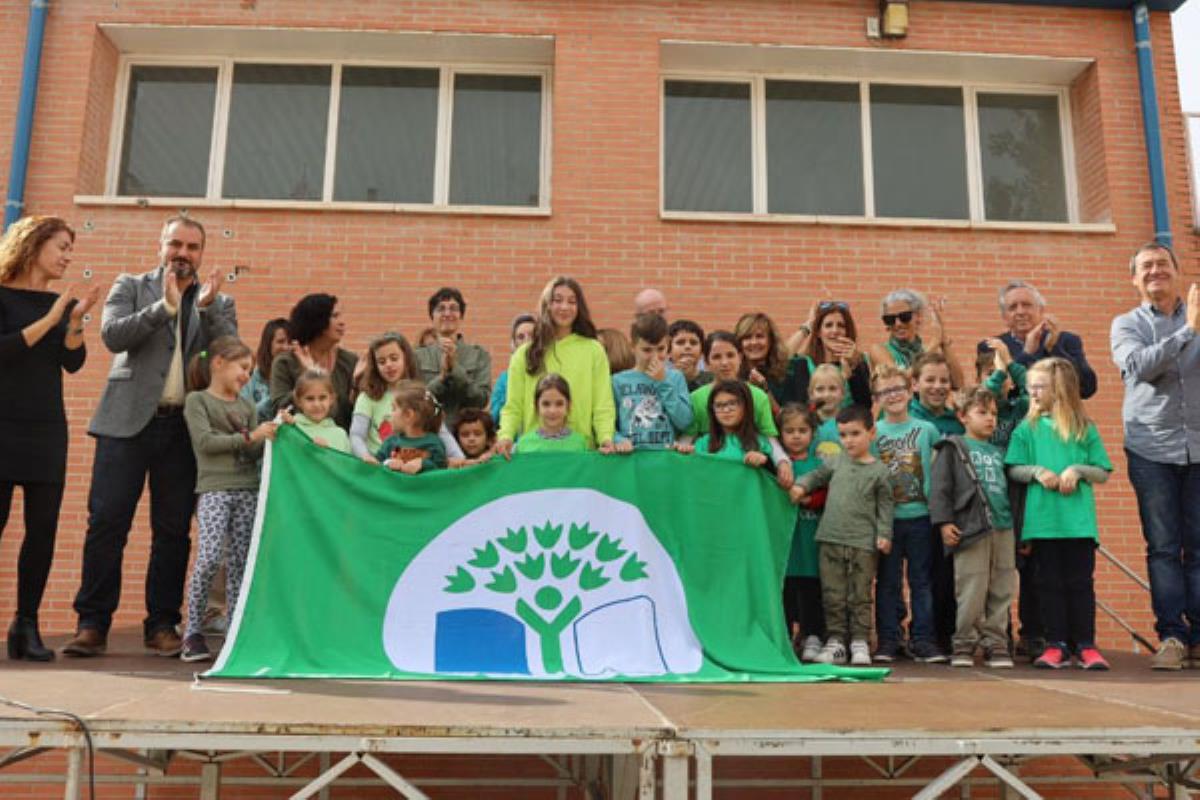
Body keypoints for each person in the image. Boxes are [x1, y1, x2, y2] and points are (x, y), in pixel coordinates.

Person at [63, 216, 236, 658]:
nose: (183, 253)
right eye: (175, 244)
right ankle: (92, 623)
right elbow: (112, 335)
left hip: (183, 431)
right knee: (106, 523)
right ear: (161, 246)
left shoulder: (218, 301)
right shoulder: (130, 286)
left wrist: (208, 309)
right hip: (125, 425)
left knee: (173, 530)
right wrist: (166, 306)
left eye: (192, 247)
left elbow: (230, 357)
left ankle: (162, 623)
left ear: (202, 253)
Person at [0, 216, 99, 661]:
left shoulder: (61, 303)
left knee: (42, 531)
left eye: (70, 249)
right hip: (3, 426)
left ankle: (26, 624)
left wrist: (74, 323)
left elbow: (72, 363)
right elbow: (4, 351)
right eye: (61, 246)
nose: (67, 256)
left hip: (46, 430)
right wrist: (53, 316)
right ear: (34, 245)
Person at [1111, 242, 1200, 671]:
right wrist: (1187, 333)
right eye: (1145, 266)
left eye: (1162, 264)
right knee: (1164, 546)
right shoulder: (1126, 324)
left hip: (1199, 446)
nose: (1154, 271)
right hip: (1151, 449)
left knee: (1199, 546)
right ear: (1134, 279)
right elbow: (1139, 367)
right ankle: (1172, 637)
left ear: (1177, 272)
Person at [1005, 357, 1112, 671]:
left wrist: (1077, 470)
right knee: (1048, 585)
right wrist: (1037, 471)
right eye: (1031, 388)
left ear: (1060, 389)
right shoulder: (1028, 428)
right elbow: (1013, 468)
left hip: (1078, 525)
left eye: (1040, 387)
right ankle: (1056, 645)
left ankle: (1087, 645)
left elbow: (1102, 472)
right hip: (1043, 524)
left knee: (1080, 583)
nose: (1033, 393)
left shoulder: (1084, 428)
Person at [180, 337, 277, 662]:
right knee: (208, 558)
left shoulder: (247, 407)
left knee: (239, 563)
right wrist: (251, 436)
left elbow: (252, 449)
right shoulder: (197, 401)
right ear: (218, 363)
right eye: (242, 367)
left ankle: (235, 632)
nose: (247, 375)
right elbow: (206, 443)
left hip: (247, 488)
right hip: (214, 489)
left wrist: (273, 433)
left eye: (250, 369)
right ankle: (193, 630)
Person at [792, 405, 894, 667]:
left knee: (860, 594)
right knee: (832, 593)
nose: (848, 440)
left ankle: (859, 640)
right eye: (843, 434)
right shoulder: (835, 462)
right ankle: (836, 640)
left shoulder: (880, 472)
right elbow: (816, 476)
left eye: (855, 433)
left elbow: (885, 506)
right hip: (830, 539)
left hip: (863, 543)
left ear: (871, 433)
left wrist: (884, 533)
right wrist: (802, 485)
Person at [930, 386, 1017, 669]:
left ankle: (996, 642)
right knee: (971, 587)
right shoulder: (952, 447)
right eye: (982, 413)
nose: (990, 419)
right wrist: (944, 522)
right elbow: (940, 489)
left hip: (1003, 527)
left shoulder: (999, 452)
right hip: (971, 528)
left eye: (993, 414)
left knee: (1002, 587)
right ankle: (964, 642)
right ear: (963, 416)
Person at [870, 363, 944, 664]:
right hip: (887, 521)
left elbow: (938, 473)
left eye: (898, 388)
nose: (893, 395)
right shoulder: (875, 433)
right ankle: (889, 639)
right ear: (876, 396)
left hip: (921, 517)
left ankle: (923, 639)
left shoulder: (926, 430)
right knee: (887, 583)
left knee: (921, 581)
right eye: (885, 391)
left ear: (911, 389)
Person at [497, 277, 616, 454]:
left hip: (579, 454)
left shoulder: (594, 350)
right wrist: (505, 436)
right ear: (547, 305)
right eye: (557, 300)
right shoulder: (524, 354)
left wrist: (606, 437)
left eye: (572, 301)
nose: (564, 307)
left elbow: (603, 404)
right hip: (534, 453)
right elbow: (513, 406)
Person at [683, 331, 794, 488]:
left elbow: (769, 439)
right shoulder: (696, 399)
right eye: (716, 357)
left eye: (730, 355)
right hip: (711, 478)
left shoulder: (758, 396)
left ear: (740, 357)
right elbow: (688, 440)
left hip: (747, 481)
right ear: (706, 362)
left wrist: (783, 463)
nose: (724, 362)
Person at [981, 281, 1097, 399]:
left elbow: (1087, 388)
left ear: (1041, 310)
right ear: (1004, 317)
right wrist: (1026, 354)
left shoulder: (1066, 341)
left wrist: (1054, 348)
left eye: (1027, 305)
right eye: (1013, 307)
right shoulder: (993, 346)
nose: (1020, 312)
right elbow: (996, 394)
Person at [779, 403, 826, 662]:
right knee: (785, 590)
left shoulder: (819, 463)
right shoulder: (778, 465)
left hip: (811, 538)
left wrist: (810, 500)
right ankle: (785, 636)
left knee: (811, 590)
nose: (796, 436)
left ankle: (813, 636)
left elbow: (826, 491)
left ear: (812, 432)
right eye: (790, 431)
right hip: (787, 542)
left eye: (802, 430)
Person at [269, 293, 357, 429]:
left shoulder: (350, 361)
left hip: (339, 443)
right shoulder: (285, 362)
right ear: (316, 321)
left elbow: (351, 414)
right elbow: (279, 408)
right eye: (334, 316)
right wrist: (310, 375)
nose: (342, 322)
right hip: (300, 441)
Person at [611, 313, 693, 451]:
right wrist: (619, 440)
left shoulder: (675, 377)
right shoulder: (618, 381)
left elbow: (684, 421)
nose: (655, 357)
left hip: (665, 459)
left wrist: (663, 382)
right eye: (647, 350)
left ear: (668, 344)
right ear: (632, 347)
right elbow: (608, 425)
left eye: (661, 349)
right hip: (631, 459)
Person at [414, 288, 492, 422]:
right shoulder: (417, 356)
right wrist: (442, 378)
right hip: (429, 432)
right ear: (432, 317)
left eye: (453, 308)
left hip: (465, 434)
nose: (447, 313)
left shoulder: (479, 355)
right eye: (441, 309)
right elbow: (415, 401)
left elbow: (481, 400)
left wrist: (455, 369)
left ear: (461, 316)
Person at [868, 289, 964, 389]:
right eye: (890, 319)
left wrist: (943, 340)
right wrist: (934, 343)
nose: (898, 324)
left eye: (904, 317)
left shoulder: (926, 351)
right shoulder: (880, 350)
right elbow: (898, 383)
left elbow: (958, 384)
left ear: (918, 316)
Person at [787, 301, 872, 408]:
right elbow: (781, 358)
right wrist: (808, 325)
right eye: (828, 325)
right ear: (818, 332)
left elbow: (865, 405)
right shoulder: (804, 363)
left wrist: (854, 367)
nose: (835, 330)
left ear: (847, 331)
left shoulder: (859, 361)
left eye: (841, 325)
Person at [349, 332, 419, 461]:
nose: (388, 365)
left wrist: (457, 457)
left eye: (394, 358)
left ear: (406, 358)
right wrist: (365, 456)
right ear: (375, 367)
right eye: (382, 362)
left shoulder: (421, 395)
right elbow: (356, 435)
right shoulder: (367, 398)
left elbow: (441, 432)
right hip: (378, 468)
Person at [691, 380, 773, 468]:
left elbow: (770, 477)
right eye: (719, 405)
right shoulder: (703, 443)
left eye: (732, 403)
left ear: (746, 406)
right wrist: (683, 454)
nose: (726, 410)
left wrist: (762, 460)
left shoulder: (760, 442)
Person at [376, 381, 448, 473]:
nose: (390, 414)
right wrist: (387, 463)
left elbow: (442, 471)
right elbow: (376, 466)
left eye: (394, 409)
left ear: (408, 415)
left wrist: (423, 464)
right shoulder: (390, 442)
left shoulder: (433, 443)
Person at [513, 374, 588, 454]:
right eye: (546, 404)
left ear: (568, 406)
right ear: (537, 406)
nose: (552, 411)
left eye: (559, 404)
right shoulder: (524, 444)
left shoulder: (579, 444)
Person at [734, 312, 791, 414]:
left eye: (759, 336)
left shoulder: (788, 373)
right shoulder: (733, 375)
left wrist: (764, 390)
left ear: (771, 341)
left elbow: (790, 421)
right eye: (747, 337)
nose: (754, 342)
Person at [284, 369, 351, 453]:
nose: (316, 404)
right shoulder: (291, 431)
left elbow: (346, 465)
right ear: (298, 401)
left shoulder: (340, 435)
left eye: (322, 398)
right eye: (310, 398)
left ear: (331, 399)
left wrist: (327, 453)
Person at [240, 318, 290, 421]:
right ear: (268, 345)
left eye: (290, 342)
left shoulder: (300, 376)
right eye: (280, 341)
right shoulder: (251, 378)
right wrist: (274, 397)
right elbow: (244, 416)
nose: (286, 347)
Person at [490, 313, 536, 424]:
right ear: (514, 344)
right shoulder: (504, 379)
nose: (526, 341)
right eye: (521, 337)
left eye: (532, 336)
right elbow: (494, 418)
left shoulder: (550, 372)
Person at [909, 351, 964, 439]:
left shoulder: (959, 423)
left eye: (944, 381)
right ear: (915, 384)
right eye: (930, 380)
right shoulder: (904, 419)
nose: (938, 386)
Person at [808, 363, 846, 462]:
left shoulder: (850, 423)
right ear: (811, 394)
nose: (826, 394)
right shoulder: (806, 422)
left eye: (832, 388)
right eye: (820, 389)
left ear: (842, 393)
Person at [668, 319, 712, 392]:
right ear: (668, 352)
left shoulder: (711, 380)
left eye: (693, 343)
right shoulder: (661, 380)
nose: (687, 346)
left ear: (701, 352)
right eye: (680, 342)